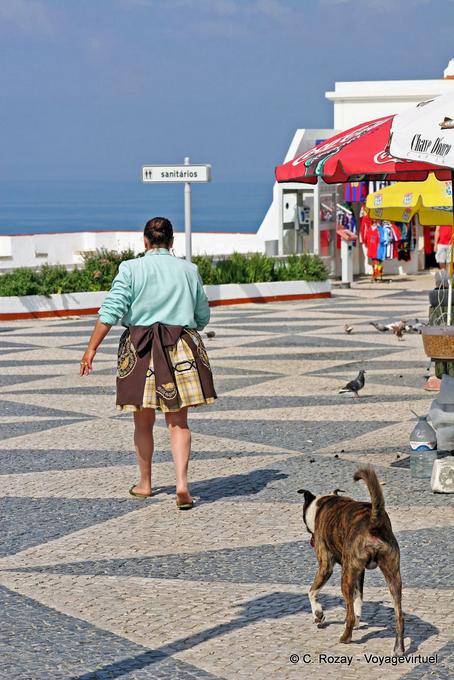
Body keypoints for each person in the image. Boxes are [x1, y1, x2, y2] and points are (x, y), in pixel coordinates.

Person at [79, 217, 216, 509]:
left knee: (143, 423)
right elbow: (202, 315)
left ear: (144, 241)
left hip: (140, 350)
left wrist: (91, 349)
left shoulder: (130, 268)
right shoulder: (188, 270)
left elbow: (110, 311)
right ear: (171, 242)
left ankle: (145, 484)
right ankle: (182, 484)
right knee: (178, 422)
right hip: (180, 347)